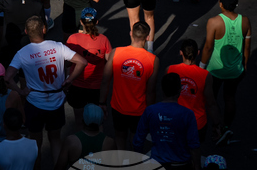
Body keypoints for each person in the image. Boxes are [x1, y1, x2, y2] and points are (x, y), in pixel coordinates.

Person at [6, 15, 87, 170]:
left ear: (26, 32)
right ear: (44, 29)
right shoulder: (58, 47)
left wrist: (21, 91)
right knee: (55, 139)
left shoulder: (22, 53)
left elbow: (7, 78)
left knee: (35, 142)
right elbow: (82, 61)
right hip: (56, 101)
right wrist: (70, 80)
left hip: (34, 103)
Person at [133, 73, 201, 170]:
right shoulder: (187, 114)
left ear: (162, 90)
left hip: (158, 167)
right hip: (182, 167)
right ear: (179, 91)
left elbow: (138, 140)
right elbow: (194, 146)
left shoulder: (150, 111)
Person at [201, 0, 250, 144]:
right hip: (235, 70)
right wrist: (245, 65)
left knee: (211, 99)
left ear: (220, 4)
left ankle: (216, 126)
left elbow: (208, 47)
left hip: (215, 70)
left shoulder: (214, 22)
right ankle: (226, 127)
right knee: (230, 98)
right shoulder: (245, 21)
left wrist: (201, 67)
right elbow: (247, 47)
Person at [99, 21, 157, 150]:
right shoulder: (153, 60)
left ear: (131, 33)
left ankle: (121, 160)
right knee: (136, 139)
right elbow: (151, 91)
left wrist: (102, 102)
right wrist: (151, 112)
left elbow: (105, 80)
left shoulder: (116, 52)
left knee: (119, 137)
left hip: (118, 107)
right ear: (148, 37)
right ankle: (133, 160)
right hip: (139, 110)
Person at [64, 8, 111, 129]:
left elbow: (67, 63)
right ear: (96, 22)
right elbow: (109, 63)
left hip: (77, 86)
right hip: (97, 88)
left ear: (81, 22)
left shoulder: (73, 39)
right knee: (97, 120)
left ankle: (81, 139)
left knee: (79, 120)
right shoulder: (104, 40)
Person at [167, 38, 218, 142]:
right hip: (197, 123)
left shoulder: (170, 70)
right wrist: (217, 124)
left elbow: (166, 96)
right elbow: (211, 103)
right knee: (195, 149)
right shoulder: (205, 75)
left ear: (181, 52)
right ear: (198, 53)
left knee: (175, 148)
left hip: (174, 120)